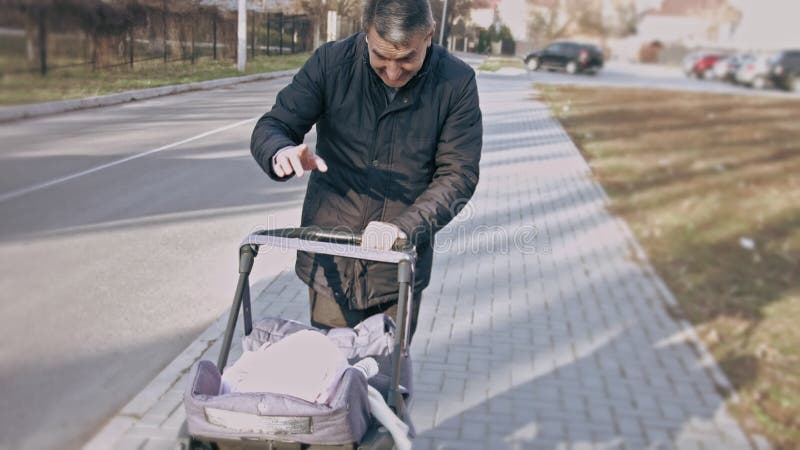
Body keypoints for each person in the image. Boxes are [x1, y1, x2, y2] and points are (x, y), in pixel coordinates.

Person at [250, 0, 482, 341]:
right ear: (365, 33)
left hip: (396, 272)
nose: (392, 72)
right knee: (330, 378)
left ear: (429, 35)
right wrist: (279, 150)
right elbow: (273, 125)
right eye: (381, 58)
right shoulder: (331, 63)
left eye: (406, 59)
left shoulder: (456, 83)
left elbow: (458, 175)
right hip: (331, 260)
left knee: (386, 383)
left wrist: (404, 228)